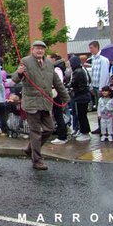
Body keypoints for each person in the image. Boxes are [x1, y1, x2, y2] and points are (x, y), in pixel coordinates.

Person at [12, 40, 70, 170]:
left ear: (45, 51)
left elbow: (57, 82)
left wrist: (66, 97)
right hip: (32, 103)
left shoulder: (49, 63)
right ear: (32, 50)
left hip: (45, 102)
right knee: (35, 132)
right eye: (37, 48)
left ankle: (30, 149)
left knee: (49, 129)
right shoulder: (26, 61)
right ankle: (37, 160)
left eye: (42, 49)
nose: (39, 51)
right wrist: (20, 72)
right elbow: (15, 79)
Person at [69, 55, 93, 142]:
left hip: (80, 96)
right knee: (83, 115)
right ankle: (83, 131)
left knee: (81, 115)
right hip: (84, 95)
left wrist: (68, 86)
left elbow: (73, 83)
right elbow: (89, 80)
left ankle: (85, 132)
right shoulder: (83, 69)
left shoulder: (77, 72)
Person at [88, 41, 110, 133]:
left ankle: (105, 128)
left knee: (104, 108)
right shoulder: (93, 59)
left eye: (91, 48)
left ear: (97, 47)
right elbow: (93, 74)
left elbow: (104, 74)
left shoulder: (103, 59)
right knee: (98, 108)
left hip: (101, 88)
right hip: (95, 86)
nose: (90, 50)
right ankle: (100, 126)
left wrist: (102, 88)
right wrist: (92, 87)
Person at [48, 53, 69, 144]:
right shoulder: (55, 68)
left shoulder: (57, 69)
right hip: (56, 93)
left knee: (58, 115)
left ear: (53, 59)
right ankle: (61, 133)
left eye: (48, 58)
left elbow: (58, 82)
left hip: (57, 94)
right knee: (57, 115)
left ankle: (62, 136)